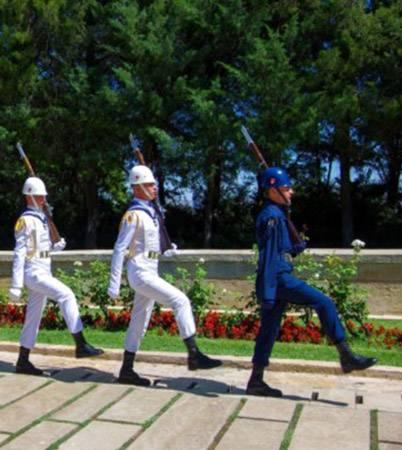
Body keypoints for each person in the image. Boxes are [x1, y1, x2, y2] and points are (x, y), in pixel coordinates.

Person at [246, 167, 376, 397]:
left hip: (275, 277)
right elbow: (268, 256)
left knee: (268, 330)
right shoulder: (273, 217)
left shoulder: (275, 213)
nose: (291, 191)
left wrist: (295, 244)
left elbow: (283, 250)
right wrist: (268, 291)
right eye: (287, 188)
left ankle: (256, 380)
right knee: (324, 303)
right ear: (272, 190)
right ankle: (346, 356)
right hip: (277, 278)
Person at [108, 165, 221, 386]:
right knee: (181, 300)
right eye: (150, 184)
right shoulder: (134, 215)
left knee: (139, 321)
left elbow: (149, 242)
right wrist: (114, 283)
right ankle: (194, 354)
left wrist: (164, 249)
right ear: (137, 187)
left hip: (150, 267)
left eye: (154, 184)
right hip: (139, 271)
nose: (155, 187)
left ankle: (126, 370)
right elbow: (120, 248)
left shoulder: (150, 213)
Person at [9, 177, 103, 375]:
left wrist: (54, 247)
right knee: (66, 295)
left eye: (44, 196)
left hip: (43, 268)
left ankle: (23, 361)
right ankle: (80, 344)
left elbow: (41, 246)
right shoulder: (25, 220)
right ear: (29, 197)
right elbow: (19, 252)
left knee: (33, 318)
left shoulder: (41, 218)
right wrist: (16, 284)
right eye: (39, 196)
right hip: (33, 271)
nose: (43, 199)